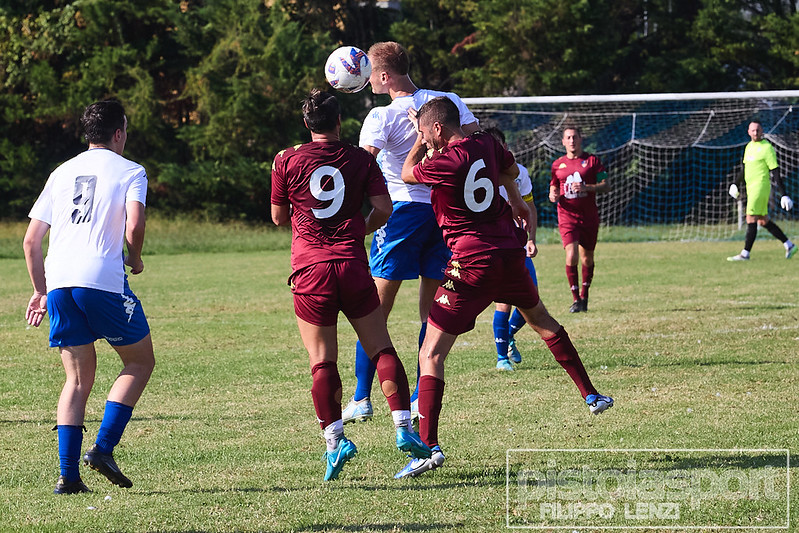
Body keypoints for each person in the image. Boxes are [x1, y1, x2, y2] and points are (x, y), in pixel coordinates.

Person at [394, 97, 614, 479]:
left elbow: (407, 173)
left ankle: (428, 447)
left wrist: (417, 140)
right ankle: (591, 394)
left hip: (470, 262)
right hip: (509, 253)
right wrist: (517, 204)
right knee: (541, 319)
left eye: (430, 133)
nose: (428, 140)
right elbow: (509, 174)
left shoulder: (443, 161)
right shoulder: (488, 144)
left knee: (431, 354)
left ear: (438, 130)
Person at [270, 89, 430, 482]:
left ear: (307, 124)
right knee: (382, 347)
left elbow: (277, 217)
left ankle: (335, 441)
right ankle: (404, 428)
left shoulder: (285, 159)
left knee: (322, 360)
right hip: (353, 265)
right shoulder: (360, 158)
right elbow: (384, 208)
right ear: (340, 122)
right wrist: (357, 228)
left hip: (311, 270)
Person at [341, 41, 481, 424]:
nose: (369, 80)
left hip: (401, 214)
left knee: (373, 313)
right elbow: (474, 138)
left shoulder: (379, 116)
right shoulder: (445, 100)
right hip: (444, 213)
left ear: (384, 77)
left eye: (371, 73)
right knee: (430, 312)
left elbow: (362, 165)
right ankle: (420, 394)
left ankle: (361, 398)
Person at [23, 100, 156, 494]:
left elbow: (31, 242)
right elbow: (135, 222)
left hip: (60, 282)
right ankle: (102, 449)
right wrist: (134, 257)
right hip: (101, 280)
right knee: (139, 361)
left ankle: (68, 477)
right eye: (126, 131)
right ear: (118, 133)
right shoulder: (132, 170)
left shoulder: (61, 171)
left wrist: (40, 290)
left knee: (77, 380)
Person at [482, 126, 539, 371]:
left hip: (517, 241)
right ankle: (501, 358)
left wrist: (531, 238)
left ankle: (509, 336)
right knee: (503, 301)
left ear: (504, 149)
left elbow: (530, 208)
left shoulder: (519, 173)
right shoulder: (478, 174)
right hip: (493, 244)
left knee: (532, 295)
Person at [549, 127, 610, 313]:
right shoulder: (557, 165)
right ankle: (575, 299)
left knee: (587, 258)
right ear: (563, 141)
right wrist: (553, 194)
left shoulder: (592, 161)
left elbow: (606, 185)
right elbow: (553, 186)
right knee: (571, 254)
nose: (572, 140)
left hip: (589, 216)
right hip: (567, 216)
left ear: (581, 139)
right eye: (568, 137)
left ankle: (584, 296)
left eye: (575, 137)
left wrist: (587, 187)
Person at [727, 121, 795, 261]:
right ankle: (789, 245)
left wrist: (784, 194)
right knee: (763, 221)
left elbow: (775, 171)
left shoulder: (767, 148)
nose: (755, 133)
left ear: (762, 131)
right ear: (748, 132)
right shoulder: (748, 147)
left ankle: (745, 253)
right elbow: (745, 168)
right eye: (753, 130)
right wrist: (735, 183)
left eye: (758, 130)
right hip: (750, 188)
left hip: (760, 187)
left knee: (751, 217)